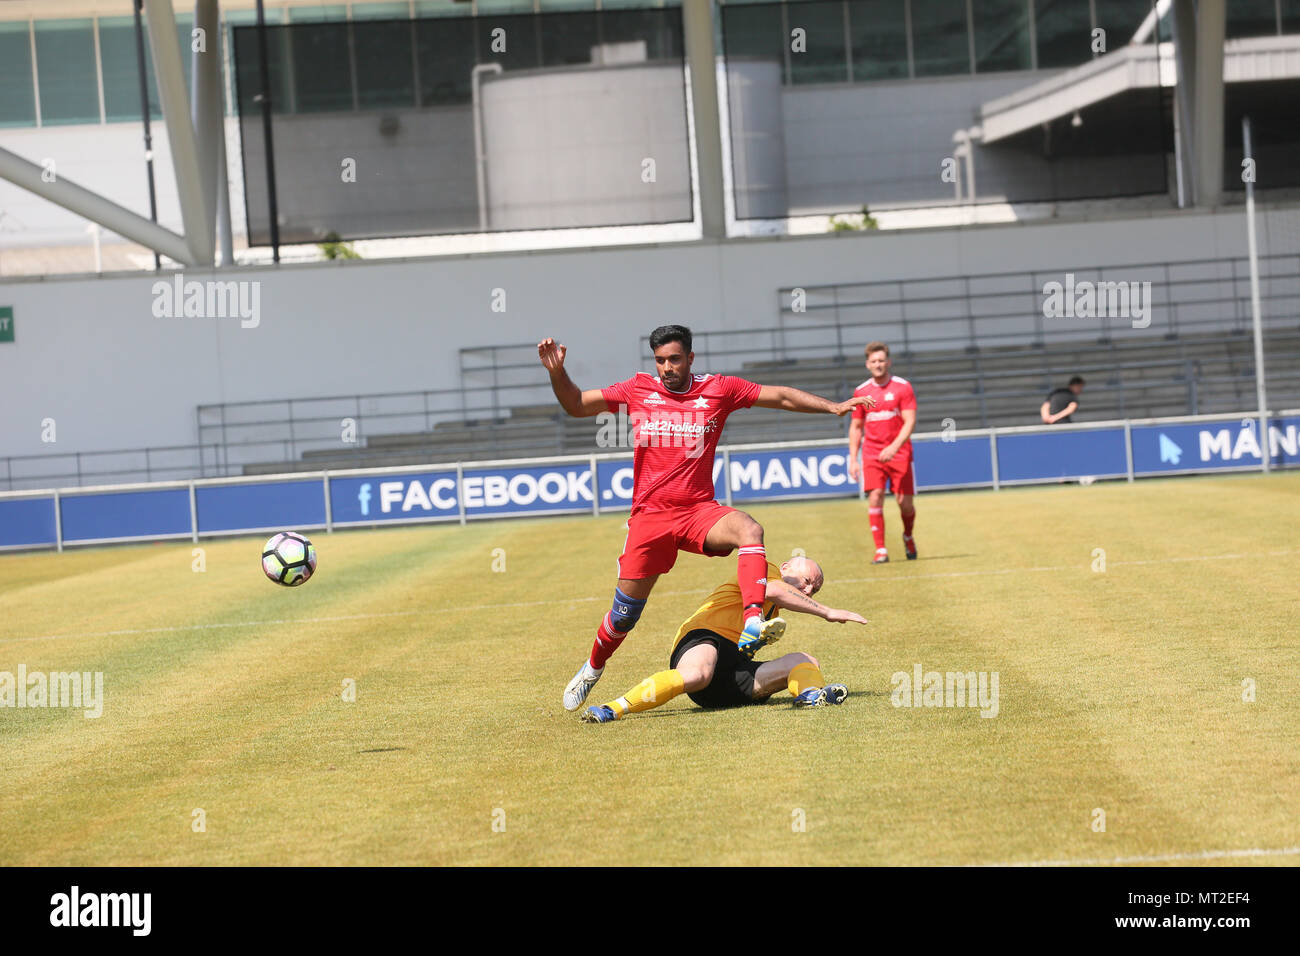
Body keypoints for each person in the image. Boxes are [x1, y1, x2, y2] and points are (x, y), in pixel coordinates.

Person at [538, 325, 873, 711]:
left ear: (690, 358)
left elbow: (778, 396)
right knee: (623, 617)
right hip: (651, 517)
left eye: (675, 359)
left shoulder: (719, 388)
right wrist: (556, 373)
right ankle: (592, 669)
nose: (667, 367)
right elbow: (577, 404)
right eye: (661, 360)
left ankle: (752, 621)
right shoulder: (637, 388)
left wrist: (833, 407)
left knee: (749, 528)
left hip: (698, 510)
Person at [580, 554, 867, 722]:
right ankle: (612, 709)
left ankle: (810, 696)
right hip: (704, 638)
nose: (807, 592)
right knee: (698, 673)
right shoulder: (765, 571)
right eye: (806, 582)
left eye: (814, 591)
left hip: (727, 679)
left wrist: (753, 643)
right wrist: (827, 611)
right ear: (787, 567)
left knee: (805, 661)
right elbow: (774, 590)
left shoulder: (771, 613)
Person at [847, 341, 917, 565]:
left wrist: (894, 447)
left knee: (904, 503)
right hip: (872, 453)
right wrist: (853, 459)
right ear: (868, 364)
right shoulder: (861, 391)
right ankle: (881, 550)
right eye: (873, 361)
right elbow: (856, 427)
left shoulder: (903, 387)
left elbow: (910, 421)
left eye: (881, 360)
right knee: (875, 496)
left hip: (900, 452)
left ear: (888, 362)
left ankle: (907, 536)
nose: (878, 364)